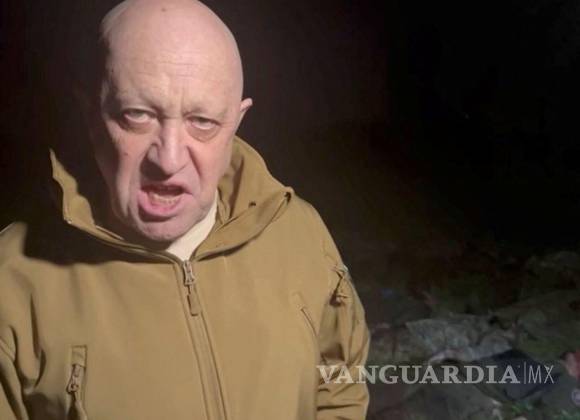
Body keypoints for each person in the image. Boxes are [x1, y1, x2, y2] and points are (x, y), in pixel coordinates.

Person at [0, 0, 370, 419]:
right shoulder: (12, 285)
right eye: (137, 115)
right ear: (92, 116)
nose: (169, 159)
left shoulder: (300, 232)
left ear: (236, 121)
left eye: (202, 121)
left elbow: (340, 379)